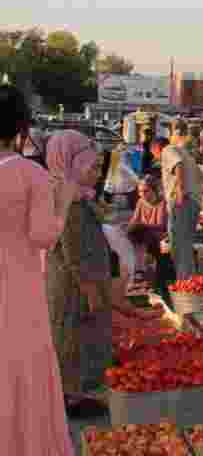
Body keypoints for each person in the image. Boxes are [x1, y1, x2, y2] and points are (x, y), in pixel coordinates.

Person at [0, 85, 83, 456]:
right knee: (22, 378)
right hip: (17, 293)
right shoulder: (28, 173)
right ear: (20, 127)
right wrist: (64, 198)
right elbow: (44, 236)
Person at [46, 130, 117, 418]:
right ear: (72, 165)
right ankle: (72, 399)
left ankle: (72, 395)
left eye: (99, 167)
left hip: (76, 282)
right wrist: (90, 290)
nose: (98, 173)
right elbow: (73, 252)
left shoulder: (73, 195)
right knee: (73, 339)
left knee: (74, 337)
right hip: (74, 285)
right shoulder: (70, 203)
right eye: (93, 167)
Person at [161, 132, 202, 283]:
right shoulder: (187, 155)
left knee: (180, 246)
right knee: (184, 246)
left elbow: (177, 164)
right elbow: (201, 177)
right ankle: (188, 282)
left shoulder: (167, 150)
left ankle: (186, 284)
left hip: (182, 201)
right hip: (192, 201)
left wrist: (179, 189)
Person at [125, 175, 171, 303]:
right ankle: (138, 272)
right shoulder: (141, 202)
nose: (142, 194)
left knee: (142, 233)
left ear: (154, 190)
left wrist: (142, 225)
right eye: (140, 191)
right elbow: (134, 221)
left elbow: (162, 226)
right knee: (133, 233)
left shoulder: (164, 203)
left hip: (161, 239)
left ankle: (142, 271)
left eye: (145, 191)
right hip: (145, 238)